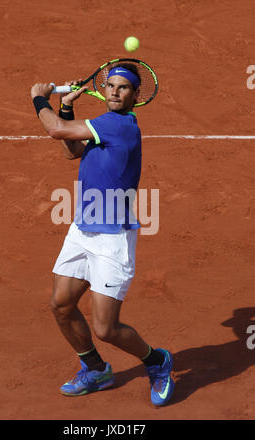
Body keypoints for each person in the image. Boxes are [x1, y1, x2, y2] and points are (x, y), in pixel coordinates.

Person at [30, 64, 175, 406]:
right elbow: (71, 151)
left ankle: (158, 361)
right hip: (82, 230)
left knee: (106, 328)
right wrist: (65, 105)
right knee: (62, 305)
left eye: (123, 88)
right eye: (110, 85)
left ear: (136, 96)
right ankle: (96, 369)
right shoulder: (104, 128)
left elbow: (55, 131)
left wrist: (39, 99)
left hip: (113, 241)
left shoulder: (118, 126)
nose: (113, 91)